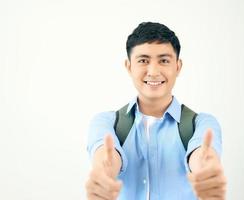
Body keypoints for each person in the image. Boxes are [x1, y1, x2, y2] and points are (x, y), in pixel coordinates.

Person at [85, 22, 227, 200]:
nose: (153, 71)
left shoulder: (202, 123)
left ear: (178, 66)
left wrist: (206, 170)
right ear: (129, 67)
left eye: (164, 61)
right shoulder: (105, 122)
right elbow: (105, 157)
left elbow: (203, 156)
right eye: (143, 60)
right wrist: (104, 172)